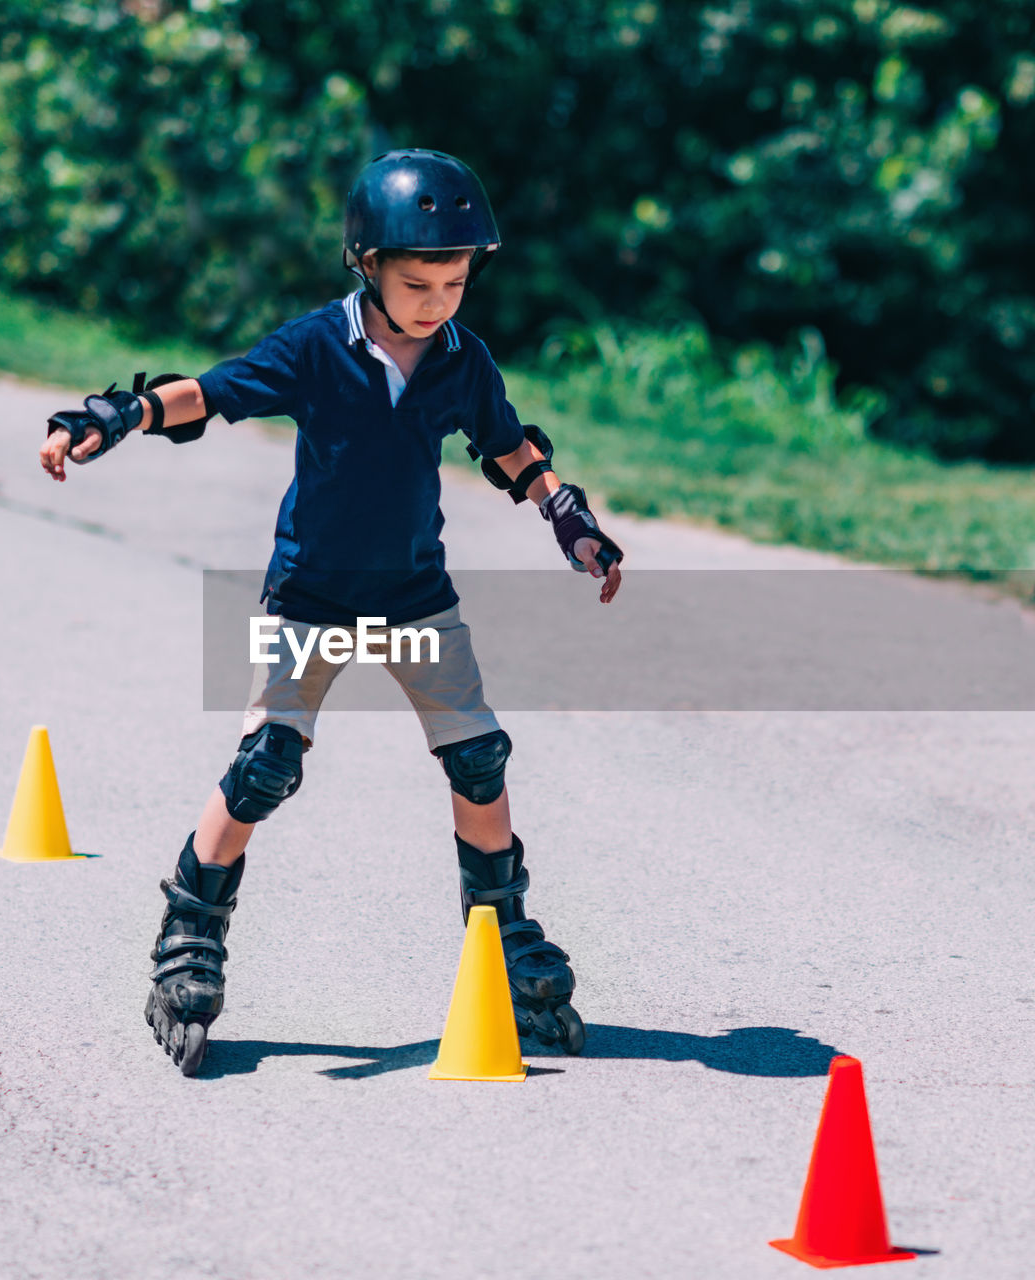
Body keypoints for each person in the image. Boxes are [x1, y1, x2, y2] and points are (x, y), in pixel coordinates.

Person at [39, 149, 624, 1076]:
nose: (438, 299)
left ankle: (505, 938)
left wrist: (568, 517)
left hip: (413, 592)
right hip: (311, 593)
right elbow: (215, 392)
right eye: (418, 280)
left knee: (479, 761)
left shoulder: (462, 361)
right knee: (267, 764)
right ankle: (192, 927)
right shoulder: (318, 346)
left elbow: (509, 446)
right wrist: (116, 419)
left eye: (457, 280)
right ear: (367, 265)